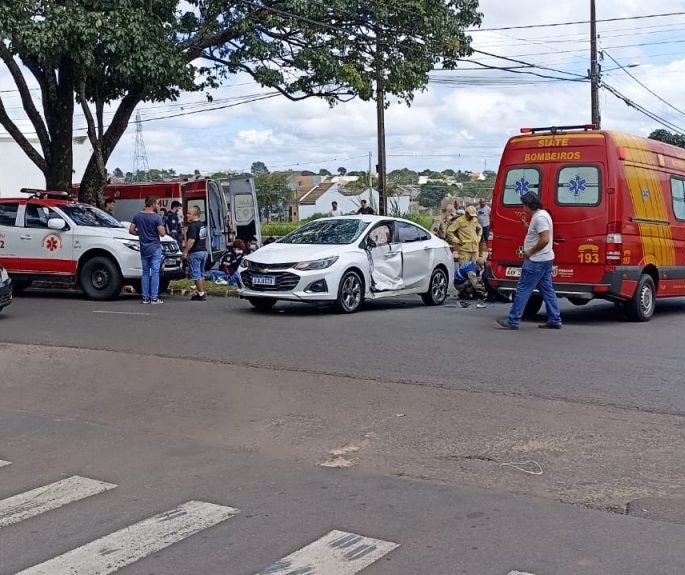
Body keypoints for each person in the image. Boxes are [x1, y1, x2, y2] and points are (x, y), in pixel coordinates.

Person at [497, 192, 562, 330]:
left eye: (523, 205)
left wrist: (530, 251)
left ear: (529, 205)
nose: (523, 208)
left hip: (536, 260)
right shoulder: (541, 215)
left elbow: (544, 238)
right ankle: (554, 318)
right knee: (547, 290)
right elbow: (535, 233)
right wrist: (524, 224)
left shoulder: (539, 218)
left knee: (523, 289)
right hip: (545, 259)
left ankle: (513, 320)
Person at [129, 196, 166, 304]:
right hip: (154, 247)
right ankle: (154, 298)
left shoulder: (137, 216)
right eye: (158, 203)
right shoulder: (156, 217)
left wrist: (140, 233)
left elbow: (131, 230)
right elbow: (162, 233)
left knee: (145, 273)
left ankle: (145, 297)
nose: (158, 206)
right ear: (153, 204)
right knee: (154, 273)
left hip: (144, 248)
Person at [182, 205, 209, 301]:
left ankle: (201, 294)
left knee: (196, 274)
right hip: (204, 251)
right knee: (201, 273)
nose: (186, 215)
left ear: (195, 215)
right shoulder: (202, 225)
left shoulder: (192, 226)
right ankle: (201, 292)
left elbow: (191, 241)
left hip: (195, 253)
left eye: (189, 213)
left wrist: (185, 252)